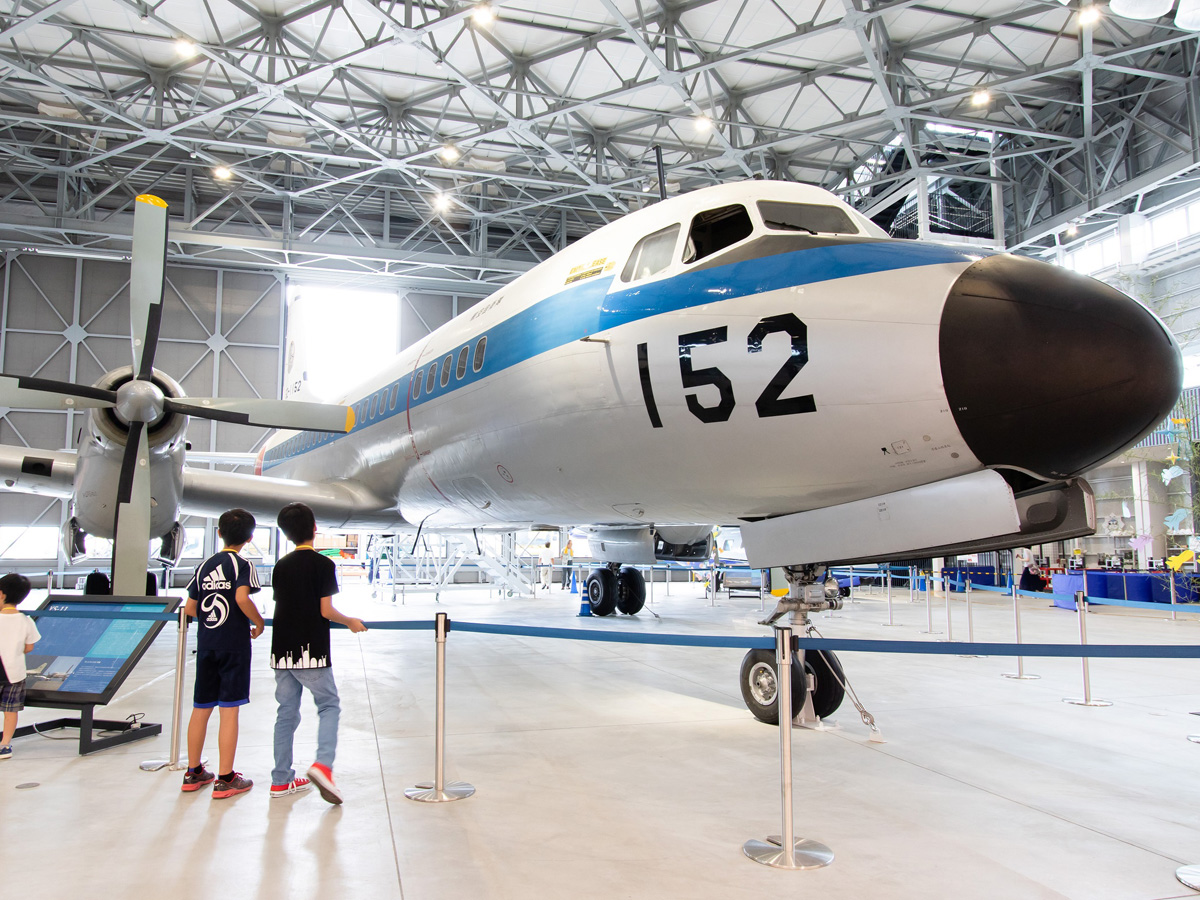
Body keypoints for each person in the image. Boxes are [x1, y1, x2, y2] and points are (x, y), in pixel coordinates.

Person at [271, 502, 367, 804]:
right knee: (328, 705)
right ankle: (323, 765)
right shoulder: (323, 565)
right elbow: (325, 610)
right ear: (314, 529)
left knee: (286, 712)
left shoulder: (280, 566)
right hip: (310, 650)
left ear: (286, 534)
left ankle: (280, 779)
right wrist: (350, 621)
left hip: (281, 651)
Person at [181, 509, 265, 798]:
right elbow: (242, 597)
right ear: (250, 538)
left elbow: (190, 608)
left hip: (206, 643)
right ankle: (226, 777)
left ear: (219, 533)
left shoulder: (204, 566)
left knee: (201, 707)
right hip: (234, 645)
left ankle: (193, 772)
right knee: (229, 710)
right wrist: (258, 622)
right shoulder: (243, 565)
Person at [0, 574, 39, 760]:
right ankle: (5, 744)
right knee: (10, 711)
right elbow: (29, 647)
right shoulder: (26, 620)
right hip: (14, 674)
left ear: (1, 594)